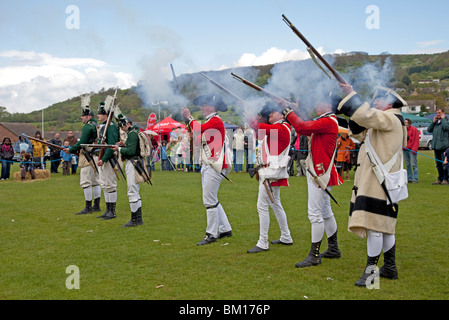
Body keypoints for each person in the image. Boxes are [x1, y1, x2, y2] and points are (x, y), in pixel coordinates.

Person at [336, 83, 407, 286]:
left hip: (378, 182)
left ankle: (371, 275)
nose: (374, 102)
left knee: (375, 227)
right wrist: (354, 109)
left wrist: (351, 95)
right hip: (381, 182)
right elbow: (359, 131)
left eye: (378, 99)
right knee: (385, 227)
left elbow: (366, 116)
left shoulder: (390, 118)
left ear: (389, 103)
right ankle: (390, 268)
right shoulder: (385, 121)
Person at [283, 97, 343, 268]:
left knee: (315, 213)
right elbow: (305, 126)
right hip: (321, 171)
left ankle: (314, 254)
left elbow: (301, 127)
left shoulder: (328, 121)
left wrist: (288, 112)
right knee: (325, 211)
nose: (316, 104)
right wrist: (293, 108)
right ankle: (333, 248)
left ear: (328, 105)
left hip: (320, 172)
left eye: (319, 101)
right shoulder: (326, 121)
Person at [181, 94, 233, 245]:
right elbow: (198, 141)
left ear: (212, 107)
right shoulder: (211, 121)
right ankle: (225, 229)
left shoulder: (215, 120)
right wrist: (191, 132)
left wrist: (190, 118)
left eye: (204, 105)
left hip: (214, 164)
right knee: (212, 198)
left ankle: (211, 233)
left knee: (209, 200)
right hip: (209, 163)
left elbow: (200, 128)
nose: (202, 108)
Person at [246, 102, 294, 253]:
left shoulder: (280, 128)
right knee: (276, 204)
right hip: (272, 171)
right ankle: (286, 236)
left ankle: (263, 242)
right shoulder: (278, 128)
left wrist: (247, 109)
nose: (271, 114)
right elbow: (258, 130)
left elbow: (257, 126)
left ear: (281, 115)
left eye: (274, 112)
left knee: (262, 207)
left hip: (270, 172)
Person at [63, 103, 102, 215]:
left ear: (88, 116)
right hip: (96, 155)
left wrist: (70, 150)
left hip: (88, 156)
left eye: (83, 116)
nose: (81, 117)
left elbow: (82, 142)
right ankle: (96, 205)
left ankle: (88, 207)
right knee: (95, 182)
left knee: (86, 182)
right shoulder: (96, 125)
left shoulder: (88, 126)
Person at [111, 115, 145, 227]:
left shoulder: (132, 133)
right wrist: (124, 145)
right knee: (135, 191)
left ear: (127, 124)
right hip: (135, 162)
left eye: (122, 126)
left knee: (132, 192)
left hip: (133, 163)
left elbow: (130, 151)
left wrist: (119, 148)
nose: (122, 128)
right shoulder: (134, 132)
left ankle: (135, 220)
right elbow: (132, 147)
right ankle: (138, 219)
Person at [96, 101, 120, 220]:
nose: (98, 116)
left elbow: (111, 146)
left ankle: (112, 211)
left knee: (110, 184)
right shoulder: (104, 127)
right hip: (104, 159)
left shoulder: (111, 127)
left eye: (100, 114)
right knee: (104, 184)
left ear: (106, 115)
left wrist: (104, 159)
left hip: (109, 159)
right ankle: (107, 210)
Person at [427, 108, 449, 185]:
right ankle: (440, 178)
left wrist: (443, 119)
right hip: (436, 146)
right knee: (438, 164)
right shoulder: (436, 123)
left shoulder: (446, 121)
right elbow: (429, 130)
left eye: (439, 113)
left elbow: (447, 127)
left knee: (444, 164)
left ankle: (445, 179)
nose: (438, 114)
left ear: (443, 113)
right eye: (437, 113)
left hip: (444, 146)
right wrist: (433, 122)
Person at [403, 118, 419, 183]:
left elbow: (416, 139)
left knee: (414, 164)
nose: (405, 123)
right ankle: (409, 178)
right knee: (407, 164)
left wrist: (414, 149)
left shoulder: (414, 129)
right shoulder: (403, 130)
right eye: (404, 122)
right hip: (405, 149)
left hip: (412, 149)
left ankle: (415, 178)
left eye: (406, 122)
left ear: (409, 123)